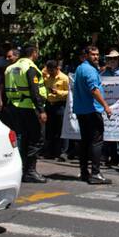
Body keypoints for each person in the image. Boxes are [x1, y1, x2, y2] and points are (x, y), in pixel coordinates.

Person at [5, 43, 49, 183]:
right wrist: (41, 110)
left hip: (14, 107)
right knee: (36, 139)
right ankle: (30, 171)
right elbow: (34, 90)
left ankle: (23, 169)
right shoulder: (30, 67)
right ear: (34, 53)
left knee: (23, 139)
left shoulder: (11, 68)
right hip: (30, 107)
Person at [72, 46, 113, 185]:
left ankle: (84, 172)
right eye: (93, 54)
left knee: (85, 141)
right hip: (91, 110)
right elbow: (94, 90)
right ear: (87, 55)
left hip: (81, 110)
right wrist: (106, 106)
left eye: (97, 54)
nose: (96, 57)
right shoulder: (89, 70)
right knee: (96, 141)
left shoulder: (81, 68)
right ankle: (95, 173)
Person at [43, 58, 70, 160]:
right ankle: (51, 151)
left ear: (57, 68)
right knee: (50, 130)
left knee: (61, 129)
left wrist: (58, 92)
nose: (50, 73)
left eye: (51, 70)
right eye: (48, 70)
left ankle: (63, 152)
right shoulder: (48, 78)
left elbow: (69, 93)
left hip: (60, 105)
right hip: (50, 105)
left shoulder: (64, 78)